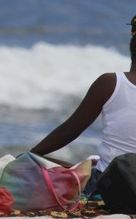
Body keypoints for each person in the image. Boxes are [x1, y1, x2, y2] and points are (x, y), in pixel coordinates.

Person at [31, 15, 136, 196]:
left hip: (110, 185)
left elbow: (68, 132)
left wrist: (31, 155)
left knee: (43, 163)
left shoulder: (110, 83)